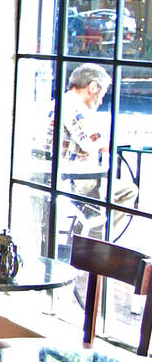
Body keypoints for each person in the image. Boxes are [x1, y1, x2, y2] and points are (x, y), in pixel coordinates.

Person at [58, 63, 138, 236]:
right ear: (92, 86)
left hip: (57, 177)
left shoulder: (59, 102)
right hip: (75, 180)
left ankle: (87, 234)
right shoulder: (75, 108)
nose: (101, 100)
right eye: (101, 94)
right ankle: (99, 239)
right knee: (129, 190)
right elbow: (93, 142)